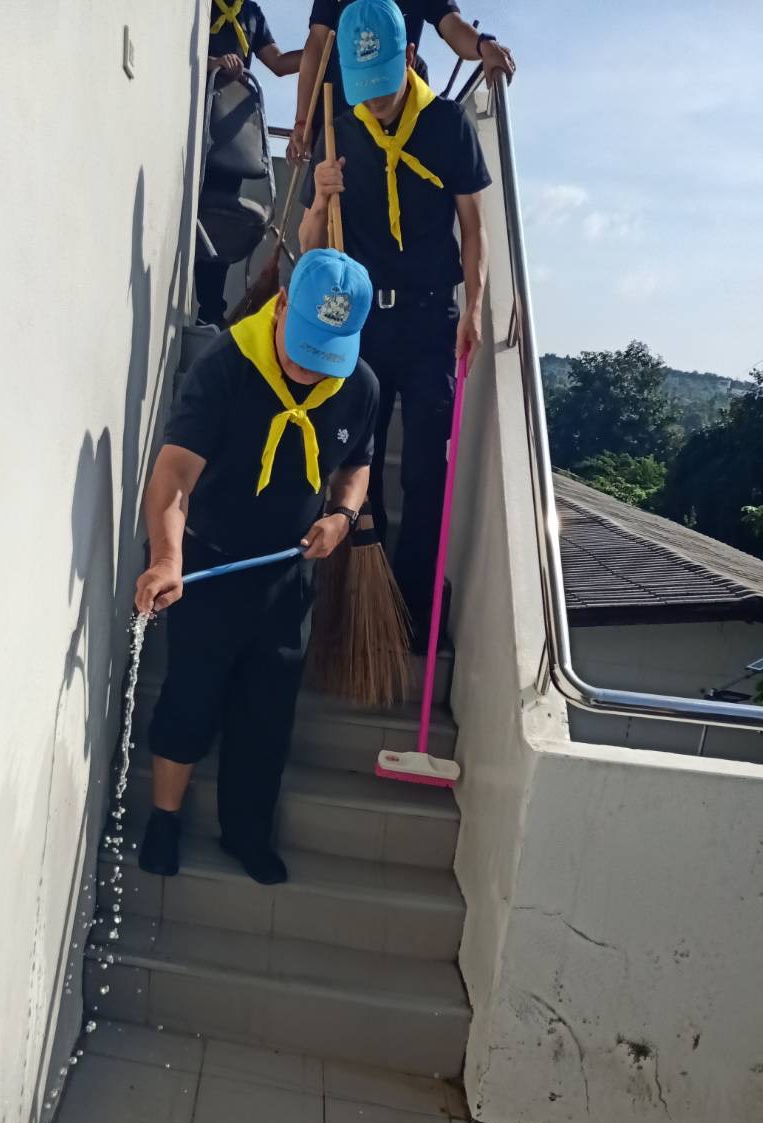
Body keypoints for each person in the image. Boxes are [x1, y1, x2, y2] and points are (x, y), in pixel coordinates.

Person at [136, 250, 378, 885]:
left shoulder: (359, 386)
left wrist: (342, 517)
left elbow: (357, 465)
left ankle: (246, 833)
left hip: (288, 573)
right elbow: (174, 474)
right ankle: (164, 819)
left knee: (267, 715)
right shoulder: (225, 366)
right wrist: (166, 559)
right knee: (191, 697)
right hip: (210, 563)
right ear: (281, 305)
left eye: (324, 353)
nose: (309, 367)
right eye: (304, 346)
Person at [298, 0, 491, 646]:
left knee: (426, 472)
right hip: (363, 323)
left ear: (409, 57)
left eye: (384, 88)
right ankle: (361, 600)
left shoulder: (446, 124)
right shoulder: (340, 127)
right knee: (359, 461)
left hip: (433, 318)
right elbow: (312, 247)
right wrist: (321, 195)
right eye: (366, 91)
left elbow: (473, 227)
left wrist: (475, 306)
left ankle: (413, 604)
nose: (376, 104)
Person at [287, 0, 515, 164]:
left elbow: (452, 25)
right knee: (331, 204)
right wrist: (302, 122)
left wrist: (484, 45)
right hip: (338, 116)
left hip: (396, 119)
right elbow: (317, 44)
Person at [197, 2, 303, 327]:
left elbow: (278, 63)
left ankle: (210, 311)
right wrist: (215, 63)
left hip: (230, 136)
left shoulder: (251, 13)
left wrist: (320, 48)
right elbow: (186, 55)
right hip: (201, 124)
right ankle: (204, 307)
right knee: (200, 213)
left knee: (222, 219)